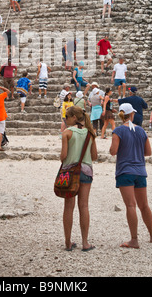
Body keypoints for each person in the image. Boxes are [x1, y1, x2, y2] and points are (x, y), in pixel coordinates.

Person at [110, 103, 152, 249]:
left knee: (130, 205)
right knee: (144, 205)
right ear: (132, 114)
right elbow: (148, 152)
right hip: (140, 171)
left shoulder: (118, 131)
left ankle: (134, 239)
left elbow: (113, 151)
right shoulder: (141, 131)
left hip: (125, 171)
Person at [60, 105, 97, 251]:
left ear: (74, 118)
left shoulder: (67, 133)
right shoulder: (90, 133)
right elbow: (94, 156)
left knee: (69, 207)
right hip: (86, 171)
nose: (65, 119)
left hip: (69, 172)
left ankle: (68, 242)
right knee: (84, 206)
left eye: (67, 117)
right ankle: (85, 242)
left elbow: (63, 157)